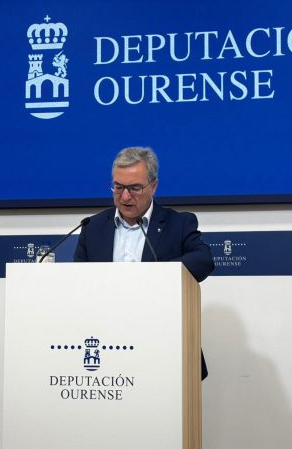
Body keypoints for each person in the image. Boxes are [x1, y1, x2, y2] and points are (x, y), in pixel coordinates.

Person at [74, 146, 214, 378]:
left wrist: (154, 277)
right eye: (118, 187)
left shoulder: (178, 223)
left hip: (163, 344)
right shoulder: (93, 227)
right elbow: (79, 281)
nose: (125, 196)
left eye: (135, 188)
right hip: (108, 345)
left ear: (154, 186)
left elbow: (203, 260)